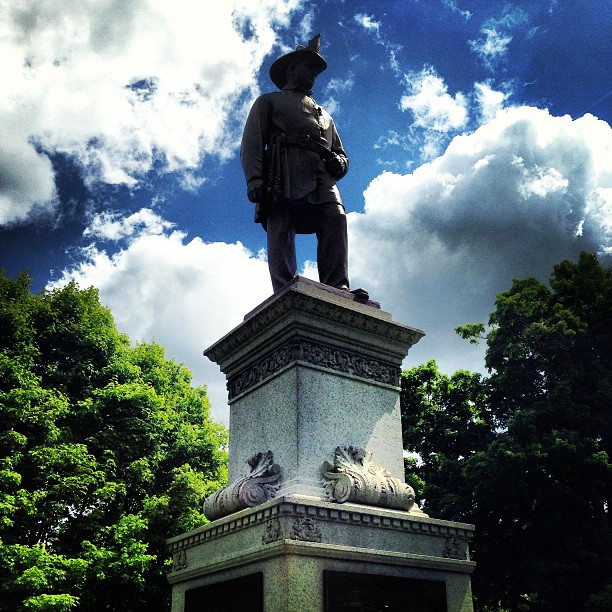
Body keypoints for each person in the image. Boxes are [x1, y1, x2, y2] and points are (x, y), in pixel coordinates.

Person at [240, 35, 368, 299]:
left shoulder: (326, 115)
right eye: (307, 67)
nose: (312, 74)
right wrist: (254, 178)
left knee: (336, 218)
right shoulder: (269, 101)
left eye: (315, 71)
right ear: (291, 70)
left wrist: (339, 163)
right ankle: (285, 285)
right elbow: (252, 142)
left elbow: (341, 154)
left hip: (321, 177)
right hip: (283, 170)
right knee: (282, 223)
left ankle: (337, 285)